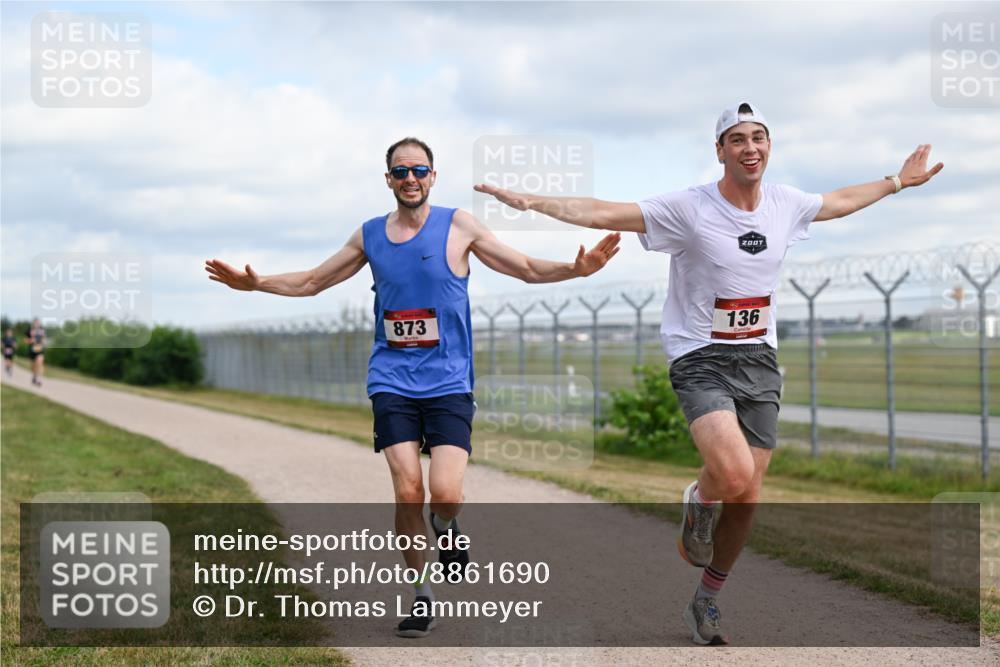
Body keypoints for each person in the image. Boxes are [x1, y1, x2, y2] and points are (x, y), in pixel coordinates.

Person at [475, 102, 943, 645]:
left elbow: (837, 203)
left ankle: (707, 600)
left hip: (758, 358)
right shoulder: (689, 208)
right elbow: (606, 211)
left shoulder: (786, 203)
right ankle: (699, 502)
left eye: (759, 138)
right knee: (733, 472)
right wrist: (533, 202)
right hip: (699, 355)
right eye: (738, 139)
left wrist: (896, 182)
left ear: (770, 146)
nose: (751, 148)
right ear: (719, 150)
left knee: (748, 494)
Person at [206, 137, 621, 638]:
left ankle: (447, 529)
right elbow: (313, 281)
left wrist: (575, 269)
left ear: (433, 176)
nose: (410, 179)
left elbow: (527, 269)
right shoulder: (370, 235)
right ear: (388, 180)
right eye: (400, 172)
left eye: (418, 171)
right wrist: (257, 284)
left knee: (444, 494)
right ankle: (422, 596)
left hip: (448, 381)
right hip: (392, 379)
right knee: (408, 491)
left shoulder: (459, 225)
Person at [26, 319, 46, 386]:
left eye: (38, 323)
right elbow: (25, 340)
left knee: (40, 362)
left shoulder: (42, 331)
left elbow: (44, 339)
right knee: (33, 366)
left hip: (39, 350)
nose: (37, 324)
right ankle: (34, 376)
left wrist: (42, 341)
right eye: (36, 323)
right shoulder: (29, 330)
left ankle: (39, 379)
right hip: (32, 350)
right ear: (33, 324)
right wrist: (31, 341)